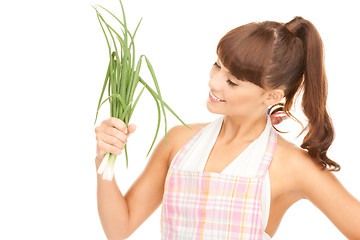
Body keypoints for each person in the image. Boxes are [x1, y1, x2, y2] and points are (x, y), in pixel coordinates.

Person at [94, 16, 360, 239]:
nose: (214, 83)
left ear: (271, 96)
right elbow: (119, 229)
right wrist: (104, 158)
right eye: (217, 65)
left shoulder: (291, 165)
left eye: (232, 81)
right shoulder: (179, 141)